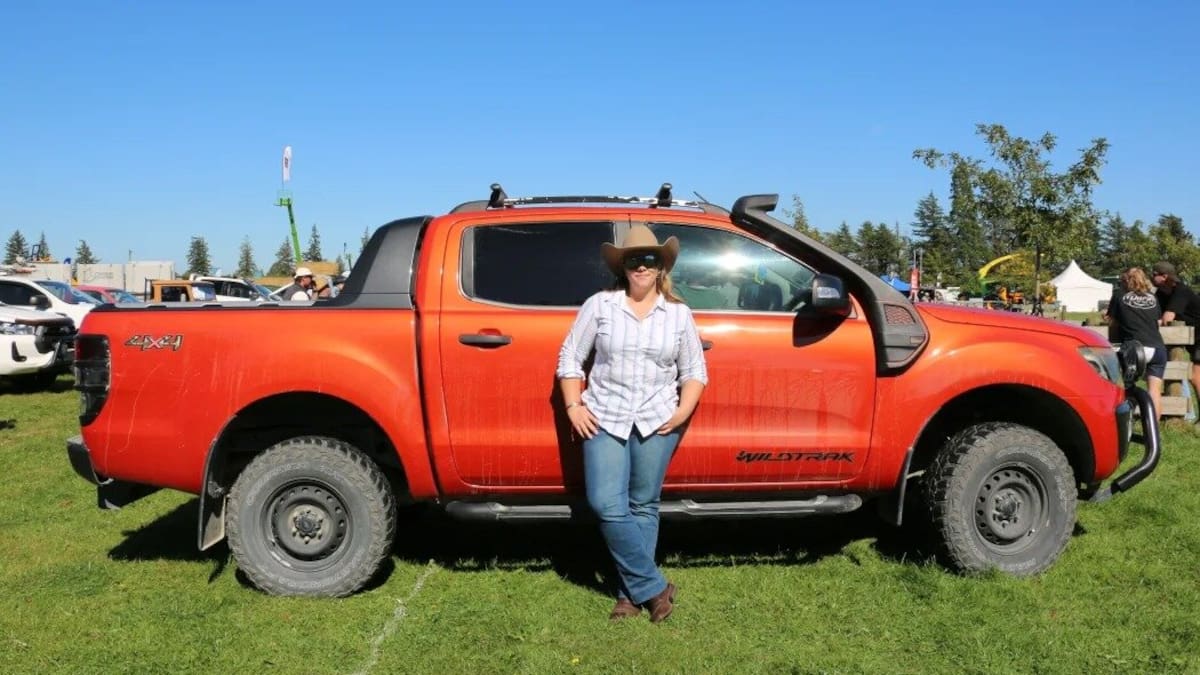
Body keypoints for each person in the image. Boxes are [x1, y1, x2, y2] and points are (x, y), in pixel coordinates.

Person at [556, 224, 708, 623]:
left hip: (659, 418)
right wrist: (574, 405)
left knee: (643, 504)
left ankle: (628, 594)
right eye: (633, 259)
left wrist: (682, 411)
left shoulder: (678, 314)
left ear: (661, 266)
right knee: (606, 503)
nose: (641, 266)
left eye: (650, 259)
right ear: (622, 266)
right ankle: (655, 586)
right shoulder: (600, 305)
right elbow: (571, 358)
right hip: (605, 414)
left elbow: (694, 370)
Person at [1110, 268, 1166, 419]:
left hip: (1134, 348)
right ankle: (1153, 432)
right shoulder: (1153, 297)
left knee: (1125, 388)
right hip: (1157, 348)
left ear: (1126, 280)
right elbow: (1158, 322)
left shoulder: (1119, 295)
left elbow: (1113, 323)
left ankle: (1125, 425)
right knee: (1154, 391)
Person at [1152, 261, 1200, 411]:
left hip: (1198, 337)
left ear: (1164, 276)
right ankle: (1182, 412)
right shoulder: (1160, 293)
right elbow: (1155, 314)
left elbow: (1167, 318)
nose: (1151, 276)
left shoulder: (1181, 291)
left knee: (1195, 375)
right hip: (1188, 337)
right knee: (1174, 369)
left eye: (1154, 273)